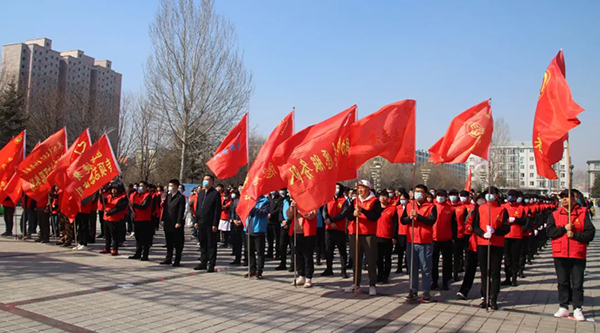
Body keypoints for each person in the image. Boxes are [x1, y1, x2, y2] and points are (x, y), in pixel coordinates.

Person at [547, 189, 595, 321]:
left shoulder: (583, 213)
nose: (564, 200)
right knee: (562, 282)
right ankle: (563, 306)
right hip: (560, 253)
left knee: (577, 283)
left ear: (574, 199)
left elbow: (590, 234)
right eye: (562, 197)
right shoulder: (555, 214)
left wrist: (575, 235)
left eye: (567, 197)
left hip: (577, 253)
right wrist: (563, 229)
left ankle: (577, 308)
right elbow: (550, 232)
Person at [342, 180, 382, 296]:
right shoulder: (355, 201)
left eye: (362, 188)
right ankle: (356, 283)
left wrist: (363, 210)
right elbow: (348, 215)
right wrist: (353, 215)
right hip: (356, 233)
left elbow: (374, 217)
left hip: (369, 234)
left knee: (371, 260)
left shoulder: (374, 201)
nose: (360, 190)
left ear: (368, 189)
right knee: (356, 259)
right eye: (358, 188)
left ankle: (372, 284)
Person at [472, 187, 510, 310]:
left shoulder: (502, 209)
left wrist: (496, 231)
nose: (490, 196)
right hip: (483, 243)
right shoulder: (480, 209)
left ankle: (493, 298)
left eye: (492, 194)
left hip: (497, 244)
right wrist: (482, 234)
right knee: (484, 272)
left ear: (497, 195)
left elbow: (506, 228)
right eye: (488, 194)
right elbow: (475, 226)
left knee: (495, 272)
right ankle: (485, 297)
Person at [401, 184, 437, 302]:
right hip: (411, 240)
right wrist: (410, 218)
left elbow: (431, 221)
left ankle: (426, 291)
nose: (418, 194)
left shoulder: (431, 206)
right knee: (412, 268)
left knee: (426, 268)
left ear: (426, 194)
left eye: (421, 192)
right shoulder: (409, 206)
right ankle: (413, 290)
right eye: (416, 191)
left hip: (425, 241)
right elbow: (403, 220)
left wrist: (419, 217)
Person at [193, 175, 222, 272]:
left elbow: (217, 210)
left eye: (207, 180)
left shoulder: (215, 194)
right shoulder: (201, 193)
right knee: (203, 243)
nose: (205, 182)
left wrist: (215, 224)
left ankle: (211, 264)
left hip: (210, 223)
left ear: (212, 182)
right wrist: (196, 221)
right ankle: (203, 262)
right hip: (201, 222)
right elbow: (197, 208)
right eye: (204, 180)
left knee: (211, 245)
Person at [287, 198, 318, 288]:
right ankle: (301, 275)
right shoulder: (295, 202)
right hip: (296, 232)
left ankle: (308, 277)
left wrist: (300, 209)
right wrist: (292, 208)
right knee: (298, 255)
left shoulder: (312, 202)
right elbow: (289, 215)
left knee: (307, 256)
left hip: (307, 233)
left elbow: (311, 215)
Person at [321, 183, 349, 278]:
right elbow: (324, 211)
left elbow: (344, 213)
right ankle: (329, 269)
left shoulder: (344, 201)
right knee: (329, 250)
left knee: (342, 251)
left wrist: (332, 220)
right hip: (329, 229)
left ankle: (343, 270)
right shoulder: (328, 199)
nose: (335, 190)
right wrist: (328, 220)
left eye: (337, 188)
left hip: (339, 229)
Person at [431, 189, 456, 291]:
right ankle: (434, 281)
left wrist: (454, 237)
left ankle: (445, 281)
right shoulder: (432, 207)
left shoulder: (450, 209)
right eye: (438, 195)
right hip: (433, 238)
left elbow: (454, 224)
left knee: (447, 262)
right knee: (433, 262)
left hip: (446, 239)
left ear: (446, 197)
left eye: (442, 195)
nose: (440, 197)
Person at [501, 189, 527, 286]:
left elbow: (524, 221)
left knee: (515, 257)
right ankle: (507, 277)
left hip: (517, 235)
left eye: (512, 196)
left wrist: (516, 220)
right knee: (507, 257)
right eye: (509, 195)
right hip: (506, 235)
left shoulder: (521, 208)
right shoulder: (503, 207)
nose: (510, 197)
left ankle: (514, 277)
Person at [160, 179, 186, 267]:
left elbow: (181, 211)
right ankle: (168, 258)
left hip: (176, 223)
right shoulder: (168, 196)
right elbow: (165, 209)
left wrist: (179, 222)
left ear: (176, 186)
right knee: (169, 242)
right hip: (168, 222)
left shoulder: (180, 197)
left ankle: (177, 260)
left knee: (177, 243)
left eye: (171, 185)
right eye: (169, 185)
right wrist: (163, 219)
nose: (169, 187)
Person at [244, 194, 270, 279]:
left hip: (259, 229)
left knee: (260, 252)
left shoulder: (265, 201)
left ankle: (259, 270)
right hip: (249, 229)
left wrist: (254, 209)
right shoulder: (248, 200)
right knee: (249, 251)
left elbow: (264, 212)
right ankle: (252, 269)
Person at [100, 183, 128, 256]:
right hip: (106, 218)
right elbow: (102, 201)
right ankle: (107, 248)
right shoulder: (108, 196)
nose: (113, 191)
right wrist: (101, 195)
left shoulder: (121, 198)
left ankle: (115, 249)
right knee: (107, 235)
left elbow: (119, 208)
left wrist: (110, 213)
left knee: (114, 235)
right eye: (112, 189)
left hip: (115, 219)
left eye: (115, 189)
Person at [376, 190, 397, 284]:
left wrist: (394, 236)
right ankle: (379, 274)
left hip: (387, 236)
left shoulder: (392, 209)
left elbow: (395, 224)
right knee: (378, 258)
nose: (383, 198)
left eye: (385, 196)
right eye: (381, 196)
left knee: (387, 258)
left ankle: (386, 275)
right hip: (377, 236)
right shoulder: (375, 208)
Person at [129, 181, 154, 261]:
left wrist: (134, 205)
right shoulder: (136, 195)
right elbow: (133, 206)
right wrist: (133, 211)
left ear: (146, 187)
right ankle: (138, 253)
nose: (140, 187)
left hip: (145, 219)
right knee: (138, 238)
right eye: (139, 186)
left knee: (145, 238)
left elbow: (144, 206)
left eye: (142, 186)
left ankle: (145, 254)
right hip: (137, 218)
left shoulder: (148, 196)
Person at [276, 191, 292, 271]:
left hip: (291, 226)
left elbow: (293, 213)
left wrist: (288, 221)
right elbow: (280, 212)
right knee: (282, 245)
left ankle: (293, 264)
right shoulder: (283, 200)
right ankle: (283, 263)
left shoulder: (292, 201)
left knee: (292, 246)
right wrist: (282, 220)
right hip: (283, 226)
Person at [394, 192, 410, 274]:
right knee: (400, 251)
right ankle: (399, 267)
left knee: (408, 252)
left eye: (404, 199)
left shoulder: (410, 207)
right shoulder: (397, 208)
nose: (402, 201)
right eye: (401, 199)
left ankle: (408, 267)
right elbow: (395, 222)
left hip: (408, 232)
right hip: (400, 232)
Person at [229, 190, 244, 265]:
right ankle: (237, 257)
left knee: (242, 242)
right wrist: (233, 219)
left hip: (242, 224)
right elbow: (231, 212)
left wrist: (240, 220)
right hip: (234, 223)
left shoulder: (242, 201)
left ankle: (245, 258)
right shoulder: (233, 202)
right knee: (236, 242)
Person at [267, 190, 284, 260]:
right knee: (269, 238)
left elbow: (279, 209)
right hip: (268, 221)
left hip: (275, 221)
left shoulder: (279, 199)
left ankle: (278, 253)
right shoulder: (268, 198)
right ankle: (269, 253)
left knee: (277, 238)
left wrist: (272, 214)